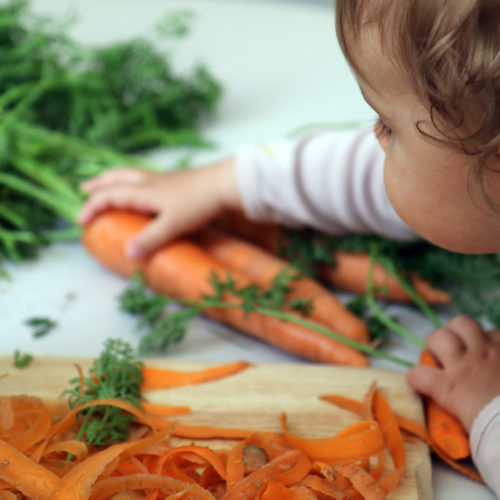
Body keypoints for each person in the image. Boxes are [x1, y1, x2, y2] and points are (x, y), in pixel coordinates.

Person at [78, 0, 500, 495]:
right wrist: (224, 183)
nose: (372, 141)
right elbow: (371, 172)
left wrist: (486, 407)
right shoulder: (473, 168)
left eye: (387, 126)